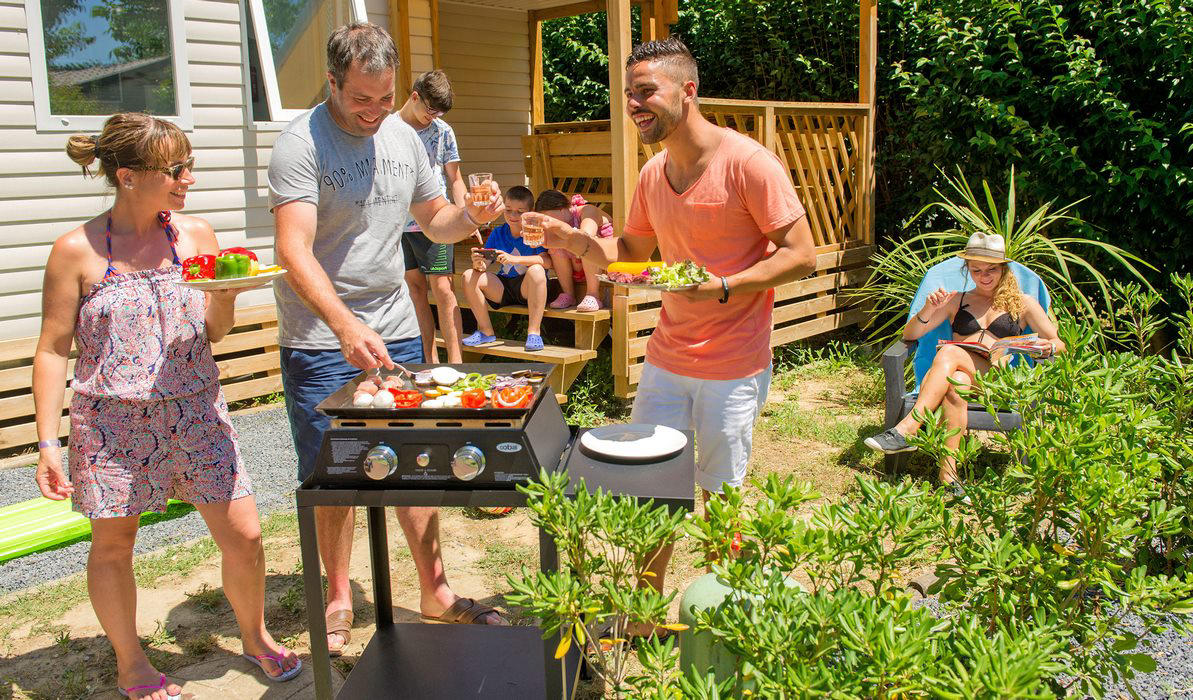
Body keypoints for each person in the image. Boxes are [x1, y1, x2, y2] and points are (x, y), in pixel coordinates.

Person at [538, 37, 817, 638]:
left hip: (734, 363)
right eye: (628, 95)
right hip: (667, 356)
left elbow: (801, 256)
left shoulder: (749, 164)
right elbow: (633, 254)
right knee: (654, 485)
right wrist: (575, 243)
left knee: (721, 497)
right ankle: (642, 616)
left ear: (687, 91)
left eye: (645, 92)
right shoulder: (652, 173)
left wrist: (724, 285)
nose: (634, 105)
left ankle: (722, 616)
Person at [32, 114, 300, 700]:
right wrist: (49, 442)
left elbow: (214, 332)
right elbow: (53, 350)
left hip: (196, 410)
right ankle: (132, 663)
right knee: (113, 544)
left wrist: (225, 299)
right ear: (128, 176)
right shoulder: (74, 251)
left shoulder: (197, 237)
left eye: (189, 166)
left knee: (246, 534)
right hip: (111, 424)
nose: (189, 179)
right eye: (176, 169)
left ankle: (254, 638)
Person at [268, 23, 508, 657]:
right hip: (321, 337)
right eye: (360, 101)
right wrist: (345, 324)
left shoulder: (406, 136)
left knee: (417, 459)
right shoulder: (301, 143)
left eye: (384, 98)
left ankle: (434, 589)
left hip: (397, 329)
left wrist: (475, 216)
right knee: (334, 473)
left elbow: (436, 220)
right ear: (333, 83)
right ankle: (341, 596)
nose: (374, 113)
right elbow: (292, 248)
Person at [864, 232, 1064, 490]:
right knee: (955, 384)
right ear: (967, 268)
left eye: (992, 269)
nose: (985, 276)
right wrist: (928, 308)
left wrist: (1045, 347)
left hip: (995, 382)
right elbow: (910, 335)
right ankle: (949, 478)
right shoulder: (956, 300)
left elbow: (1060, 344)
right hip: (959, 376)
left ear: (1004, 268)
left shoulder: (1023, 304)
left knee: (948, 353)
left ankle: (908, 429)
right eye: (976, 269)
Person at [397, 70, 469, 363]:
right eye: (430, 110)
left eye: (439, 112)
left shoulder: (442, 131)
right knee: (415, 291)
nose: (434, 116)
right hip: (399, 225)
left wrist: (466, 215)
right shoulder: (388, 129)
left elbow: (456, 179)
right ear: (415, 97)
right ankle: (430, 363)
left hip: (436, 221)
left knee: (443, 289)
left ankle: (457, 364)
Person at [461, 185, 553, 351]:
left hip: (528, 288)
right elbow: (486, 262)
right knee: (469, 275)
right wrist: (478, 263)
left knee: (537, 269)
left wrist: (514, 259)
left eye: (519, 211)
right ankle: (485, 331)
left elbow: (546, 261)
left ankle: (534, 332)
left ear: (530, 212)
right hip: (503, 287)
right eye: (508, 209)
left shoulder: (534, 231)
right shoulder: (498, 233)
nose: (512, 215)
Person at [535, 190, 615, 311]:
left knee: (589, 243)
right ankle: (568, 294)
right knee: (556, 246)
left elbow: (586, 236)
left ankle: (593, 294)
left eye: (548, 219)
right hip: (578, 265)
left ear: (562, 210)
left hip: (605, 263)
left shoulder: (587, 211)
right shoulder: (559, 223)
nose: (548, 223)